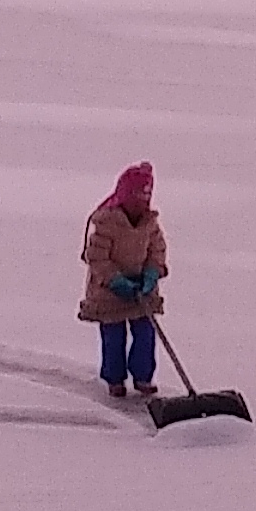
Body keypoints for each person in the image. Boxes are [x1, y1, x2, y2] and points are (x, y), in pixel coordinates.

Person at [80, 161, 168, 397]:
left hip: (141, 289)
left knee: (146, 333)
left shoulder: (150, 224)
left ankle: (143, 376)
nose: (142, 204)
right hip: (108, 290)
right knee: (113, 336)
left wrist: (152, 273)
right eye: (137, 197)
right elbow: (96, 257)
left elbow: (157, 250)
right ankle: (115, 378)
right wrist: (115, 280)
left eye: (146, 197)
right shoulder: (106, 223)